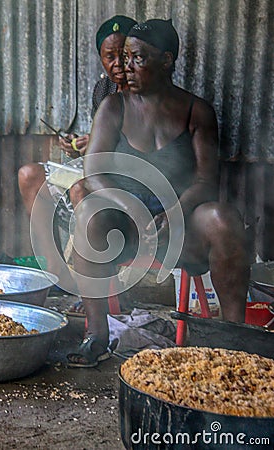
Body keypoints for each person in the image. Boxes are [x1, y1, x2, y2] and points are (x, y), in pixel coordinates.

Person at [67, 19, 250, 367]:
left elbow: (206, 181)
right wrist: (131, 205)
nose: (127, 67)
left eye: (138, 58)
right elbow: (94, 171)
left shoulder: (197, 111)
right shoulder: (113, 106)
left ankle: (233, 341)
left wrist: (174, 210)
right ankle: (97, 336)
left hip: (180, 227)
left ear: (166, 61)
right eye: (124, 58)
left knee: (223, 218)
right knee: (90, 212)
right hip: (127, 226)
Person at [18, 15, 137, 291]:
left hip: (125, 191)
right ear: (100, 58)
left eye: (124, 55)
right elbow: (100, 141)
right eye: (110, 56)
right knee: (29, 175)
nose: (118, 64)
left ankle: (92, 288)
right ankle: (59, 275)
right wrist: (78, 145)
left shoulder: (148, 93)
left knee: (81, 189)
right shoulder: (104, 89)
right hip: (95, 173)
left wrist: (98, 147)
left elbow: (148, 154)